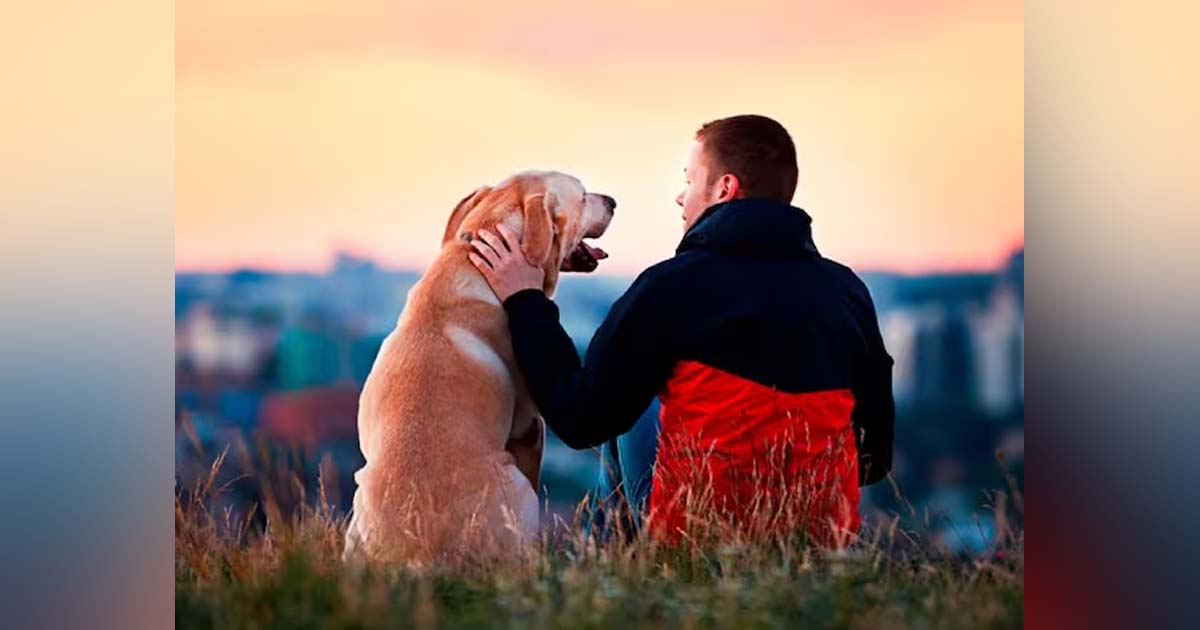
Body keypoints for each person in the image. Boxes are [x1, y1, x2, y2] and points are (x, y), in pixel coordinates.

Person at [467, 114, 894, 544]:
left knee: (627, 408)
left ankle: (614, 572)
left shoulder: (670, 287)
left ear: (725, 188)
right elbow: (873, 458)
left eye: (689, 180)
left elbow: (579, 419)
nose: (679, 196)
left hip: (698, 537)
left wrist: (526, 301)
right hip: (819, 540)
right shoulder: (847, 293)